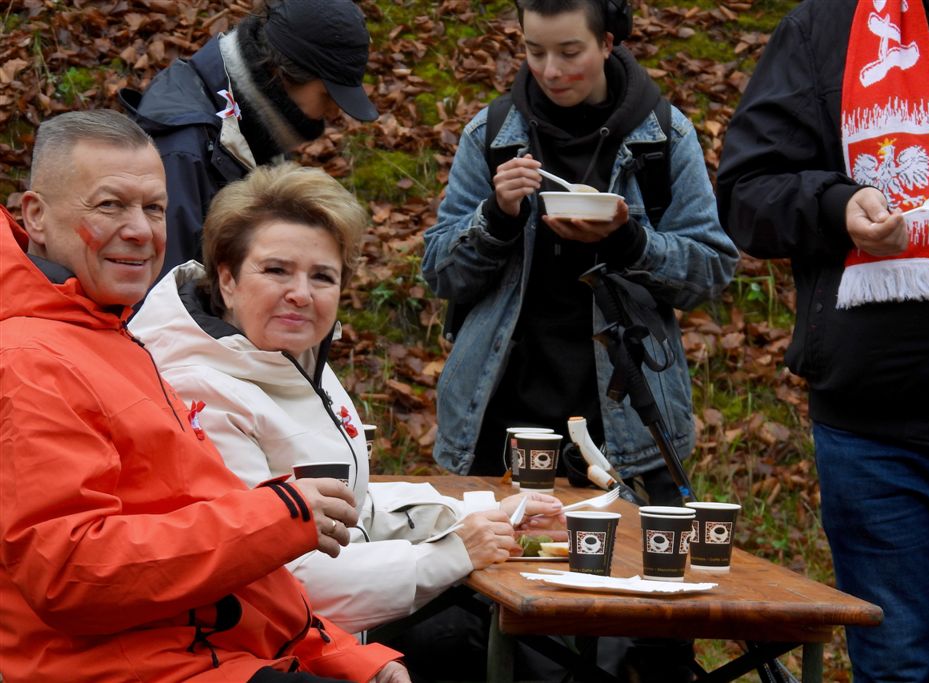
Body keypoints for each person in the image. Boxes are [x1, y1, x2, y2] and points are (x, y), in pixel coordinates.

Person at [0, 109, 407, 683]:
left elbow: (225, 549)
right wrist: (282, 513)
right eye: (110, 205)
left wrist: (342, 655)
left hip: (206, 652)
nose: (140, 231)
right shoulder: (32, 360)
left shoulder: (111, 336)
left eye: (154, 208)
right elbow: (71, 573)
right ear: (36, 215)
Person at [716, 0, 929, 679]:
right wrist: (836, 205)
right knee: (898, 671)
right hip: (882, 437)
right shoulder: (825, 29)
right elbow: (746, 192)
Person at [129, 161, 566, 637]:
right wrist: (451, 552)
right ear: (227, 279)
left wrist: (479, 517)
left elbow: (348, 506)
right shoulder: (199, 392)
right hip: (249, 645)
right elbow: (275, 579)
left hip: (329, 634)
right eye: (276, 270)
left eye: (322, 276)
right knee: (475, 639)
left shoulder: (292, 355)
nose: (301, 294)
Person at [421, 0, 738, 502]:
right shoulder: (492, 135)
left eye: (570, 53)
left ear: (607, 42)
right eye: (535, 51)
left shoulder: (663, 137)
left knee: (628, 554)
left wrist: (628, 240)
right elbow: (440, 273)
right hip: (497, 423)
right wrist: (497, 216)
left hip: (626, 426)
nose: (551, 71)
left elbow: (711, 270)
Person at [119, 0, 379, 282]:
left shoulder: (253, 124)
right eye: (327, 96)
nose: (333, 112)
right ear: (279, 74)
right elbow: (160, 296)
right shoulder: (183, 151)